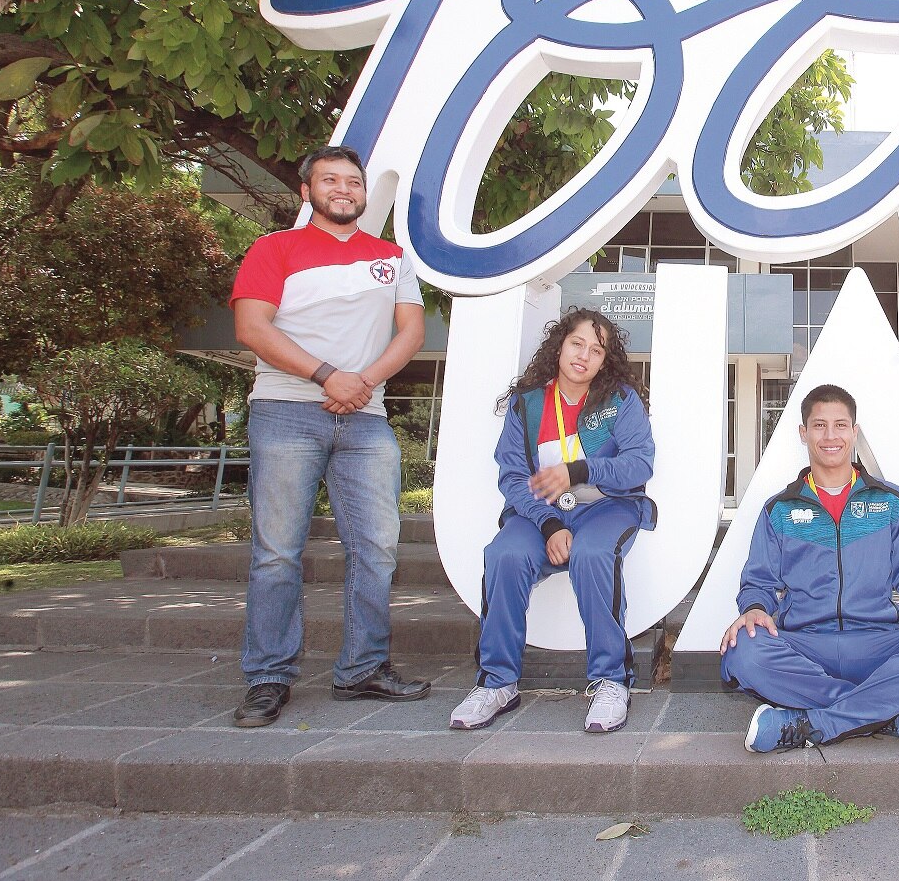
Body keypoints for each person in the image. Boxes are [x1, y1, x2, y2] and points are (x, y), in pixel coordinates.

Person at [230, 145, 429, 728]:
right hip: (286, 411)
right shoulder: (274, 250)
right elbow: (251, 326)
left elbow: (411, 331)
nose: (343, 189)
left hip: (366, 419)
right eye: (330, 180)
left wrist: (361, 382)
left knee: (377, 549)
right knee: (276, 553)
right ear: (306, 191)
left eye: (353, 181)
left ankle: (363, 667)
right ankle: (268, 677)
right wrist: (326, 376)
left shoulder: (391, 258)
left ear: (365, 193)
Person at [719, 384, 899, 752]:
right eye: (819, 425)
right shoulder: (780, 508)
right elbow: (758, 582)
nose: (830, 436)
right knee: (742, 649)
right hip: (805, 645)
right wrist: (756, 610)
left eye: (840, 425)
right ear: (803, 433)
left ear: (854, 432)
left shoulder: (890, 501)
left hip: (878, 642)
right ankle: (884, 712)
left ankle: (812, 724)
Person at [448, 309, 656, 733]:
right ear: (559, 345)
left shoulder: (618, 400)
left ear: (605, 360)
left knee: (594, 553)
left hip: (607, 508)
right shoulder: (527, 404)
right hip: (542, 513)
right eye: (577, 343)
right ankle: (497, 683)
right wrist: (548, 525)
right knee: (504, 553)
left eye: (596, 350)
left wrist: (579, 470)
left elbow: (639, 465)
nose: (584, 356)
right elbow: (512, 475)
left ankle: (611, 680)